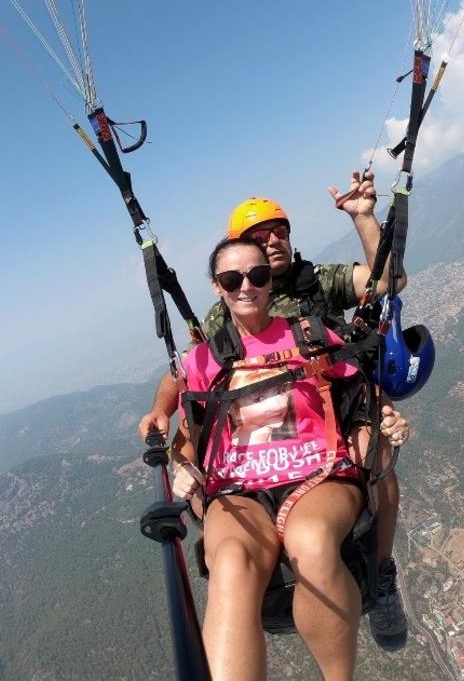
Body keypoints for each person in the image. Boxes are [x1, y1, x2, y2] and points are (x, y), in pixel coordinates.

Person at [138, 170, 412, 651]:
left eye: (279, 231)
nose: (273, 241)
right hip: (279, 419)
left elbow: (389, 281)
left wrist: (364, 218)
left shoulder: (317, 282)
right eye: (259, 237)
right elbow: (189, 371)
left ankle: (381, 574)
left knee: (377, 456)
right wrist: (163, 409)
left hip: (341, 398)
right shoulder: (226, 314)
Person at [170, 236, 371, 680]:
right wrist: (181, 467)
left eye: (257, 275)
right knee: (230, 563)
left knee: (311, 540)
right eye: (232, 279)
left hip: (317, 471)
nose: (246, 286)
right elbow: (187, 435)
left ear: (269, 281)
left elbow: (362, 395)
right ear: (217, 287)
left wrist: (378, 426)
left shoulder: (310, 334)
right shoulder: (203, 360)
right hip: (237, 487)